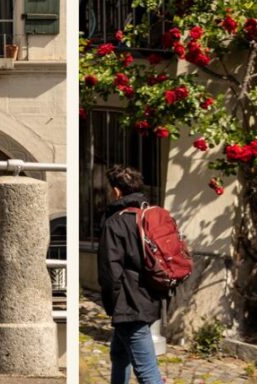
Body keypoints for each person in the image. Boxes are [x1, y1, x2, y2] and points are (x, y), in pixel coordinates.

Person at [98, 164, 164, 384]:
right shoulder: (149, 216)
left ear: (116, 191)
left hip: (129, 304)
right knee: (119, 354)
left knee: (147, 372)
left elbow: (110, 272)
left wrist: (112, 304)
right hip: (149, 298)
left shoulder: (116, 222)